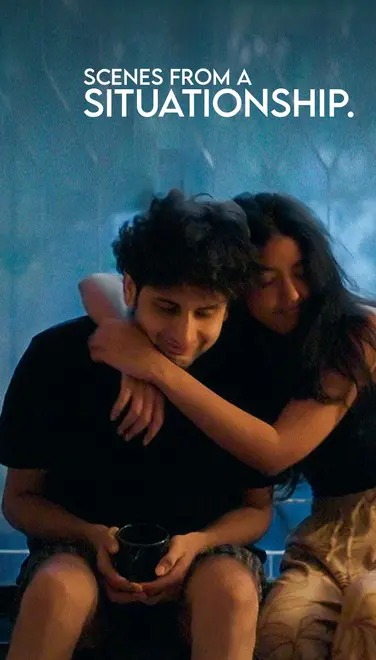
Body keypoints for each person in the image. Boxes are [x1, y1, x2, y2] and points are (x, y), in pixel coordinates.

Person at [81, 192, 376, 660]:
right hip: (332, 530)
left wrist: (153, 368)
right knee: (283, 631)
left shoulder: (361, 330)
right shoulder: (245, 341)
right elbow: (97, 284)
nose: (290, 295)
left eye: (302, 273)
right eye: (266, 281)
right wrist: (131, 351)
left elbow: (275, 451)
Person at [0, 190, 277, 660]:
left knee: (230, 590)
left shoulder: (248, 368)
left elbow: (257, 510)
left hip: (206, 554)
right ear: (130, 290)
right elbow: (19, 500)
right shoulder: (56, 357)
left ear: (228, 305)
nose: (183, 335)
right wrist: (89, 534)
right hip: (78, 551)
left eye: (205, 313)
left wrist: (201, 542)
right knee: (57, 589)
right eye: (166, 308)